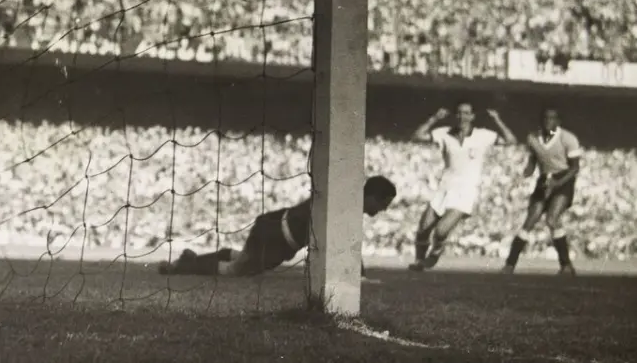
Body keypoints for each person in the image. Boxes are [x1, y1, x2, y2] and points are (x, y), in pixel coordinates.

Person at [156, 175, 397, 277]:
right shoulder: (347, 206)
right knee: (237, 271)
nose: (383, 209)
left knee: (243, 262)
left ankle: (196, 258)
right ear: (372, 196)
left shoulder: (346, 200)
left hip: (275, 229)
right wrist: (360, 276)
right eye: (383, 203)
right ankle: (183, 266)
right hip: (276, 237)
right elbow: (348, 246)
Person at [409, 102, 516, 271]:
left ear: (473, 116)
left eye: (466, 113)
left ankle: (436, 250)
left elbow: (511, 141)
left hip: (465, 191)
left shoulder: (483, 135)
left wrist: (497, 120)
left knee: (440, 232)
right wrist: (435, 118)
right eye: (459, 113)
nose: (462, 117)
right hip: (444, 187)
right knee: (423, 229)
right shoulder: (443, 133)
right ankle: (419, 261)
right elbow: (417, 136)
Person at [502, 107, 581, 275]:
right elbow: (532, 164)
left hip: (563, 179)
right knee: (530, 221)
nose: (548, 121)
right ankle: (509, 265)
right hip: (544, 179)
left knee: (552, 219)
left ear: (558, 121)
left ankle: (566, 265)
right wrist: (522, 176)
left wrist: (556, 183)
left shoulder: (568, 138)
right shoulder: (533, 138)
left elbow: (574, 168)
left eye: (552, 118)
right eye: (545, 118)